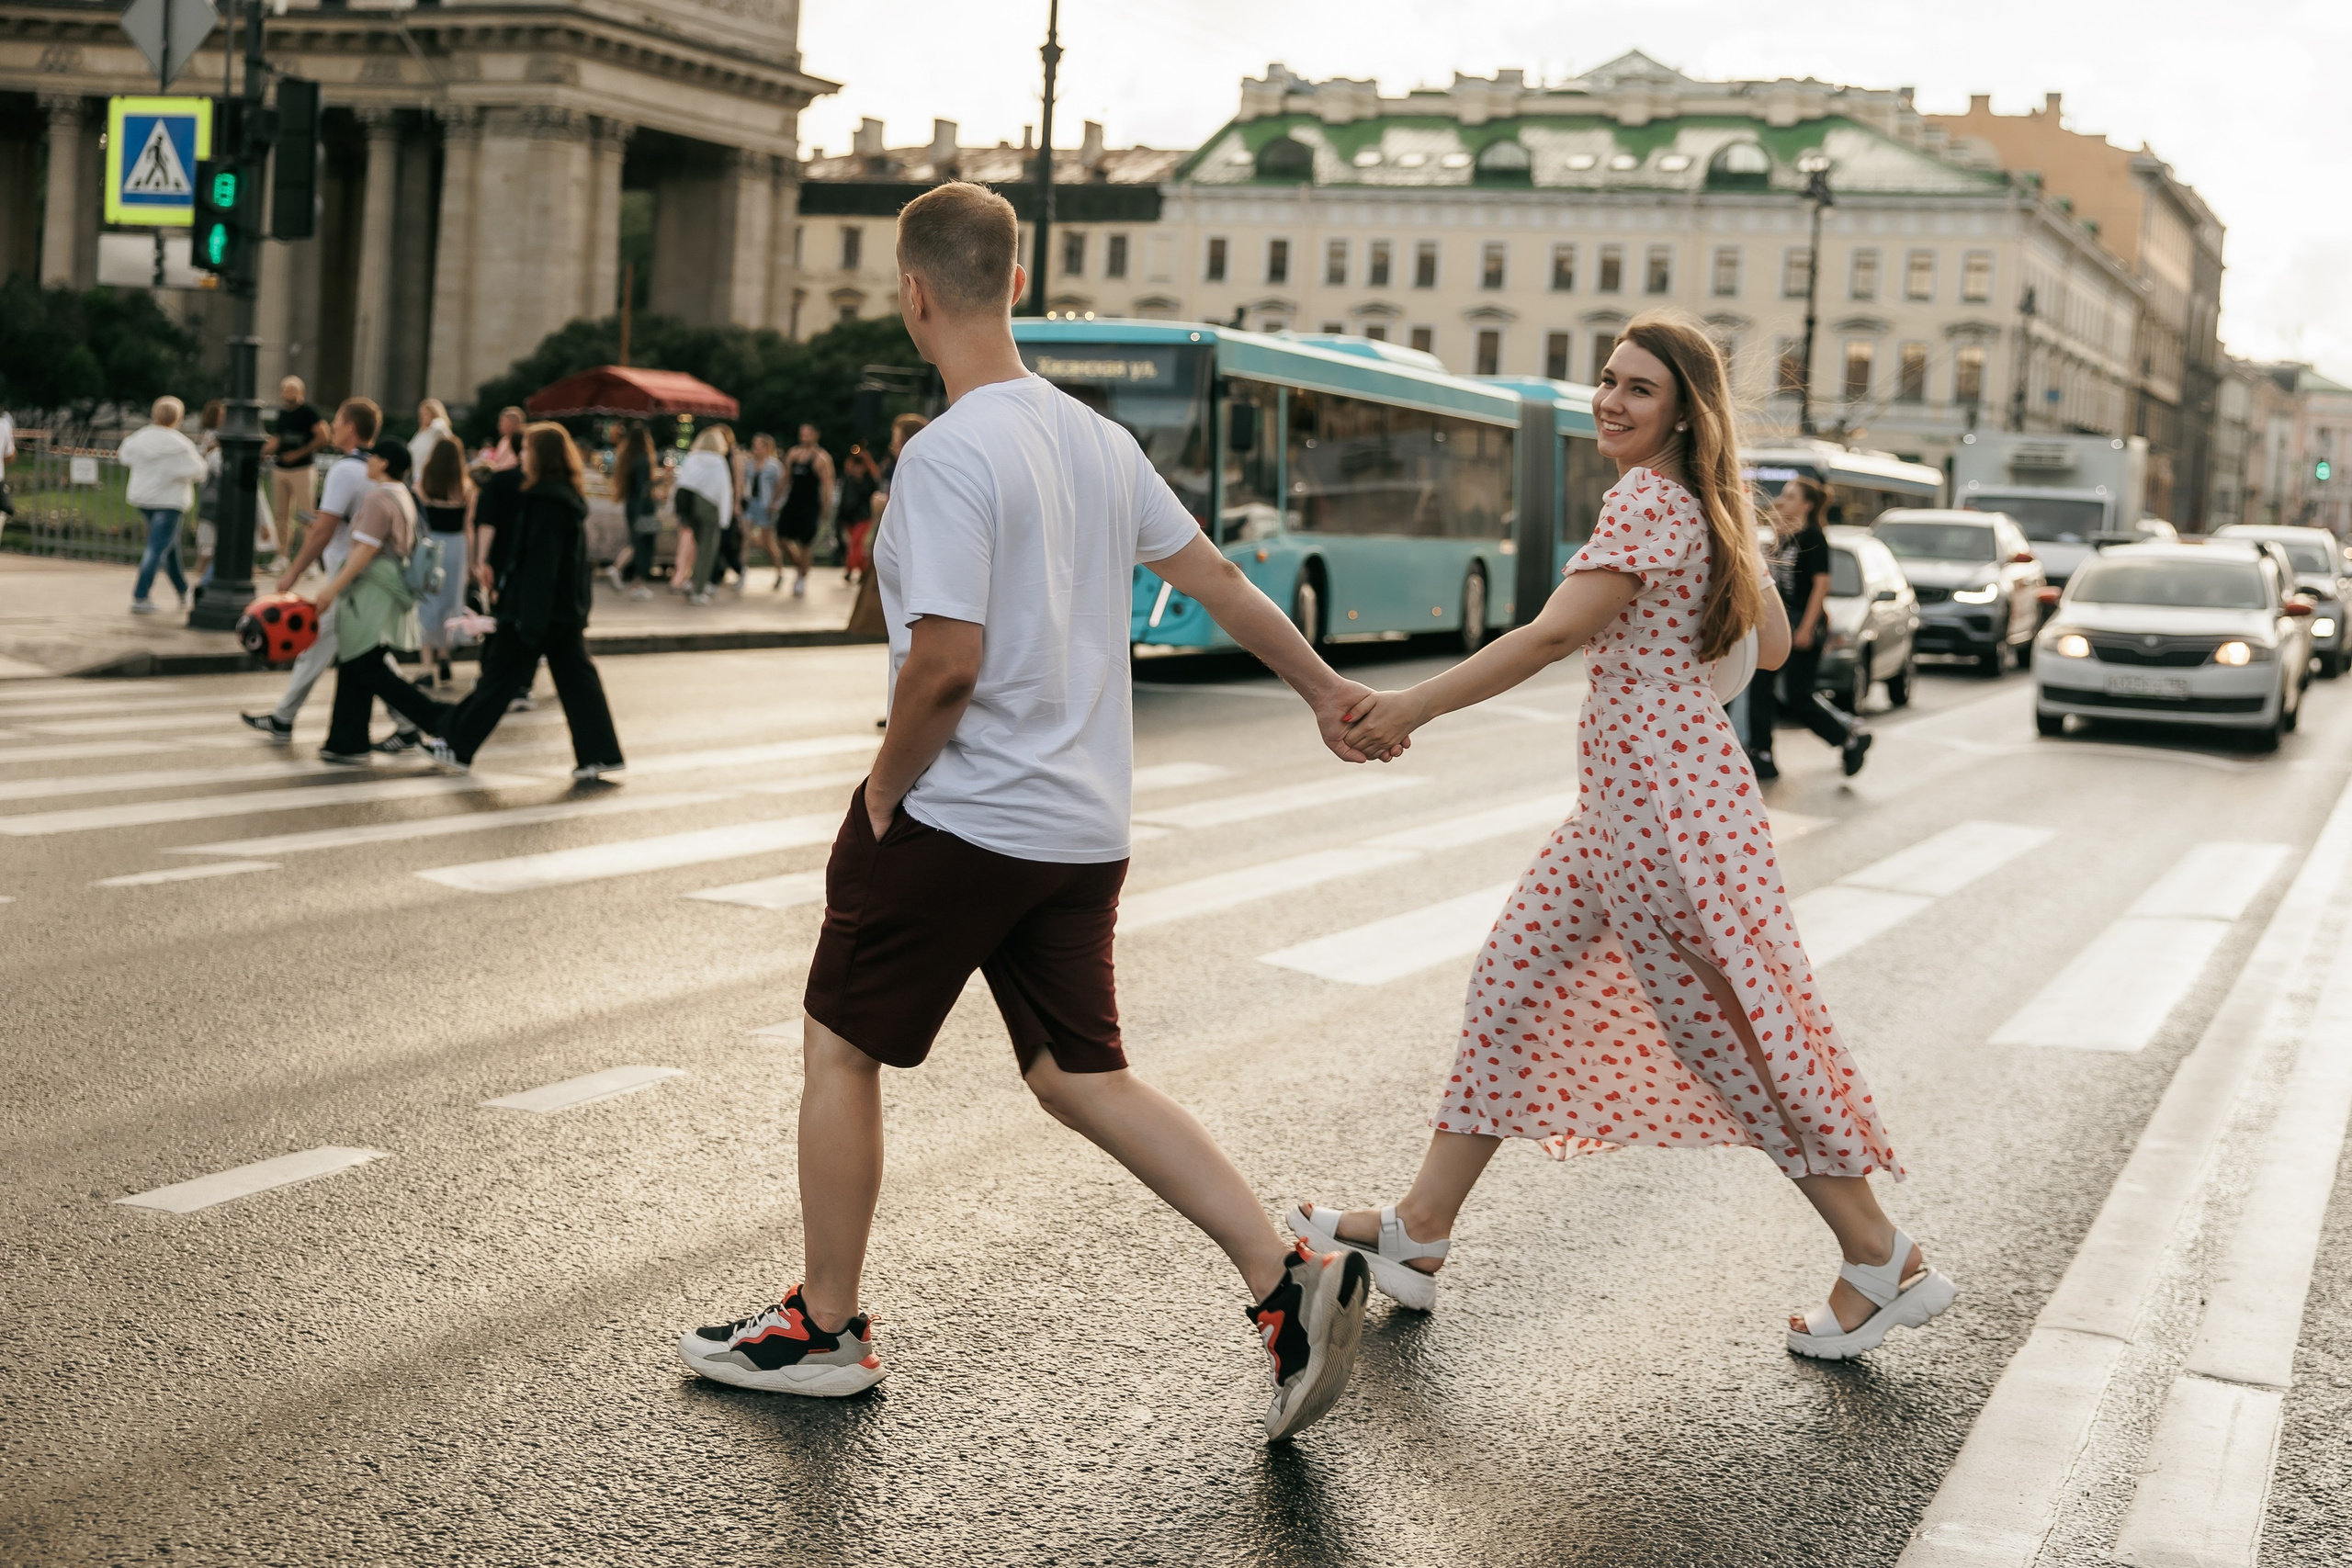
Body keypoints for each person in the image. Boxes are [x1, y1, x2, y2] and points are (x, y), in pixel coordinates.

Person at [674, 181, 1381, 1442]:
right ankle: (1285, 1281)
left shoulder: (949, 453)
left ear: (912, 295)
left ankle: (823, 1328)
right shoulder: (1096, 440)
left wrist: (881, 795)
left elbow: (945, 665)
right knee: (1080, 1073)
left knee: (840, 1045)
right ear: (1014, 283)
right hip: (1082, 828)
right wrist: (1326, 690)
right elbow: (1217, 576)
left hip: (964, 813)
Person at [1294, 311, 1956, 1365]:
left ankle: (1880, 1256)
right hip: (1642, 800)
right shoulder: (1708, 505)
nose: (1609, 400)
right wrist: (1734, 529)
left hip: (1659, 808)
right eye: (1607, 379)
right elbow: (1768, 646)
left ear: (1683, 413)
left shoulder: (1651, 500)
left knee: (1732, 1039)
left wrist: (1408, 706)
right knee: (1513, 980)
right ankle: (1420, 1230)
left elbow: (1553, 633)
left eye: (1638, 388)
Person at [428, 422, 623, 781]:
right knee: (576, 681)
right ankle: (601, 753)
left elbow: (540, 564)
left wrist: (526, 617)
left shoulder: (546, 501)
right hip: (560, 610)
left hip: (538, 611)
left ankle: (457, 745)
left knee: (500, 679)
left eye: (528, 450)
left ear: (542, 456)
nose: (523, 456)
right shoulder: (563, 497)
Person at [240, 399, 421, 751]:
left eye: (337, 420)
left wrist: (293, 573)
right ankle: (285, 717)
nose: (331, 426)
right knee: (348, 648)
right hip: (364, 578)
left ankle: (412, 719)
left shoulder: (346, 470)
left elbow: (324, 530)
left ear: (350, 427)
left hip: (348, 576)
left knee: (361, 653)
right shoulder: (379, 474)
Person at [311, 441, 455, 764]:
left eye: (373, 457)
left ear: (384, 462)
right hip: (390, 585)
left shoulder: (377, 498)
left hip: (372, 588)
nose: (368, 461)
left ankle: (439, 719)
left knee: (364, 662)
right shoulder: (403, 494)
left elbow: (365, 549)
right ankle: (347, 741)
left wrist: (332, 589)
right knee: (357, 660)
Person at [119, 396, 210, 615]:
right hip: (169, 501)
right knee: (157, 547)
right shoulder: (180, 444)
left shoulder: (139, 437)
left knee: (168, 547)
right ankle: (141, 595)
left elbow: (124, 456)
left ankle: (183, 590)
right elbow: (199, 471)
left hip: (144, 498)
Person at [414, 436, 476, 687]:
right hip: (457, 546)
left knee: (427, 602)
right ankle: (444, 655)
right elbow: (469, 527)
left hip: (431, 545)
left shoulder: (423, 484)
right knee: (451, 602)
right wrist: (472, 562)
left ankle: (426, 666)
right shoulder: (466, 487)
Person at [260, 376, 324, 568]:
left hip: (302, 468)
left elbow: (323, 435)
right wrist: (264, 451)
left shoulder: (309, 412)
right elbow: (279, 437)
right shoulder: (282, 413)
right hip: (281, 467)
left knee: (306, 514)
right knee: (281, 515)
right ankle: (282, 556)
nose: (288, 395)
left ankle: (310, 559)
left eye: (292, 391)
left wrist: (299, 453)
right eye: (286, 391)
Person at [672, 426, 733, 605]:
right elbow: (724, 491)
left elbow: (680, 483)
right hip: (709, 508)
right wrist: (725, 518)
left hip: (691, 508)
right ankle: (698, 589)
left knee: (697, 545)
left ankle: (691, 581)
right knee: (707, 550)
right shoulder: (718, 461)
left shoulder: (692, 458)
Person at [775, 423, 834, 597]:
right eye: (802, 433)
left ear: (815, 435)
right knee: (782, 538)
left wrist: (825, 508)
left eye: (808, 434)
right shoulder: (793, 453)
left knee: (805, 543)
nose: (804, 437)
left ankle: (801, 577)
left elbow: (827, 485)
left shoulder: (822, 458)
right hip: (793, 502)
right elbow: (785, 478)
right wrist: (775, 499)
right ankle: (800, 565)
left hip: (810, 505)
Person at [606, 421, 661, 600]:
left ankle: (618, 569)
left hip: (631, 504)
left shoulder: (627, 458)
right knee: (643, 545)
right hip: (643, 506)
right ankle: (634, 580)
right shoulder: (644, 459)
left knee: (635, 542)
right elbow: (645, 486)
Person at [739, 433, 787, 591]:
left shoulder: (774, 466)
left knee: (768, 542)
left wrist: (776, 504)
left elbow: (783, 487)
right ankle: (741, 573)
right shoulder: (749, 465)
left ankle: (779, 571)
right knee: (744, 538)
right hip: (751, 504)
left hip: (766, 505)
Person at [188, 400, 226, 585]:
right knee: (209, 531)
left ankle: (202, 570)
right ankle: (202, 571)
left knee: (208, 533)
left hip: (210, 489)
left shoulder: (212, 435)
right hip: (214, 488)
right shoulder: (213, 436)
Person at [829, 444, 880, 574]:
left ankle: (852, 568)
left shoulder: (870, 481)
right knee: (853, 544)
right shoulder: (848, 480)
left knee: (856, 543)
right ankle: (860, 569)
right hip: (849, 517)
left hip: (863, 516)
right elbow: (844, 499)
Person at [407, 399, 455, 486]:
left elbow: (444, 433)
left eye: (426, 414)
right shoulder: (420, 433)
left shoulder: (437, 428)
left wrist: (437, 421)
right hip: (417, 475)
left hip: (431, 476)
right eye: (421, 414)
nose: (423, 417)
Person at [476, 405, 526, 471]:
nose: (499, 426)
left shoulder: (523, 440)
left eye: (503, 422)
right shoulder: (503, 441)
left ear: (514, 423)